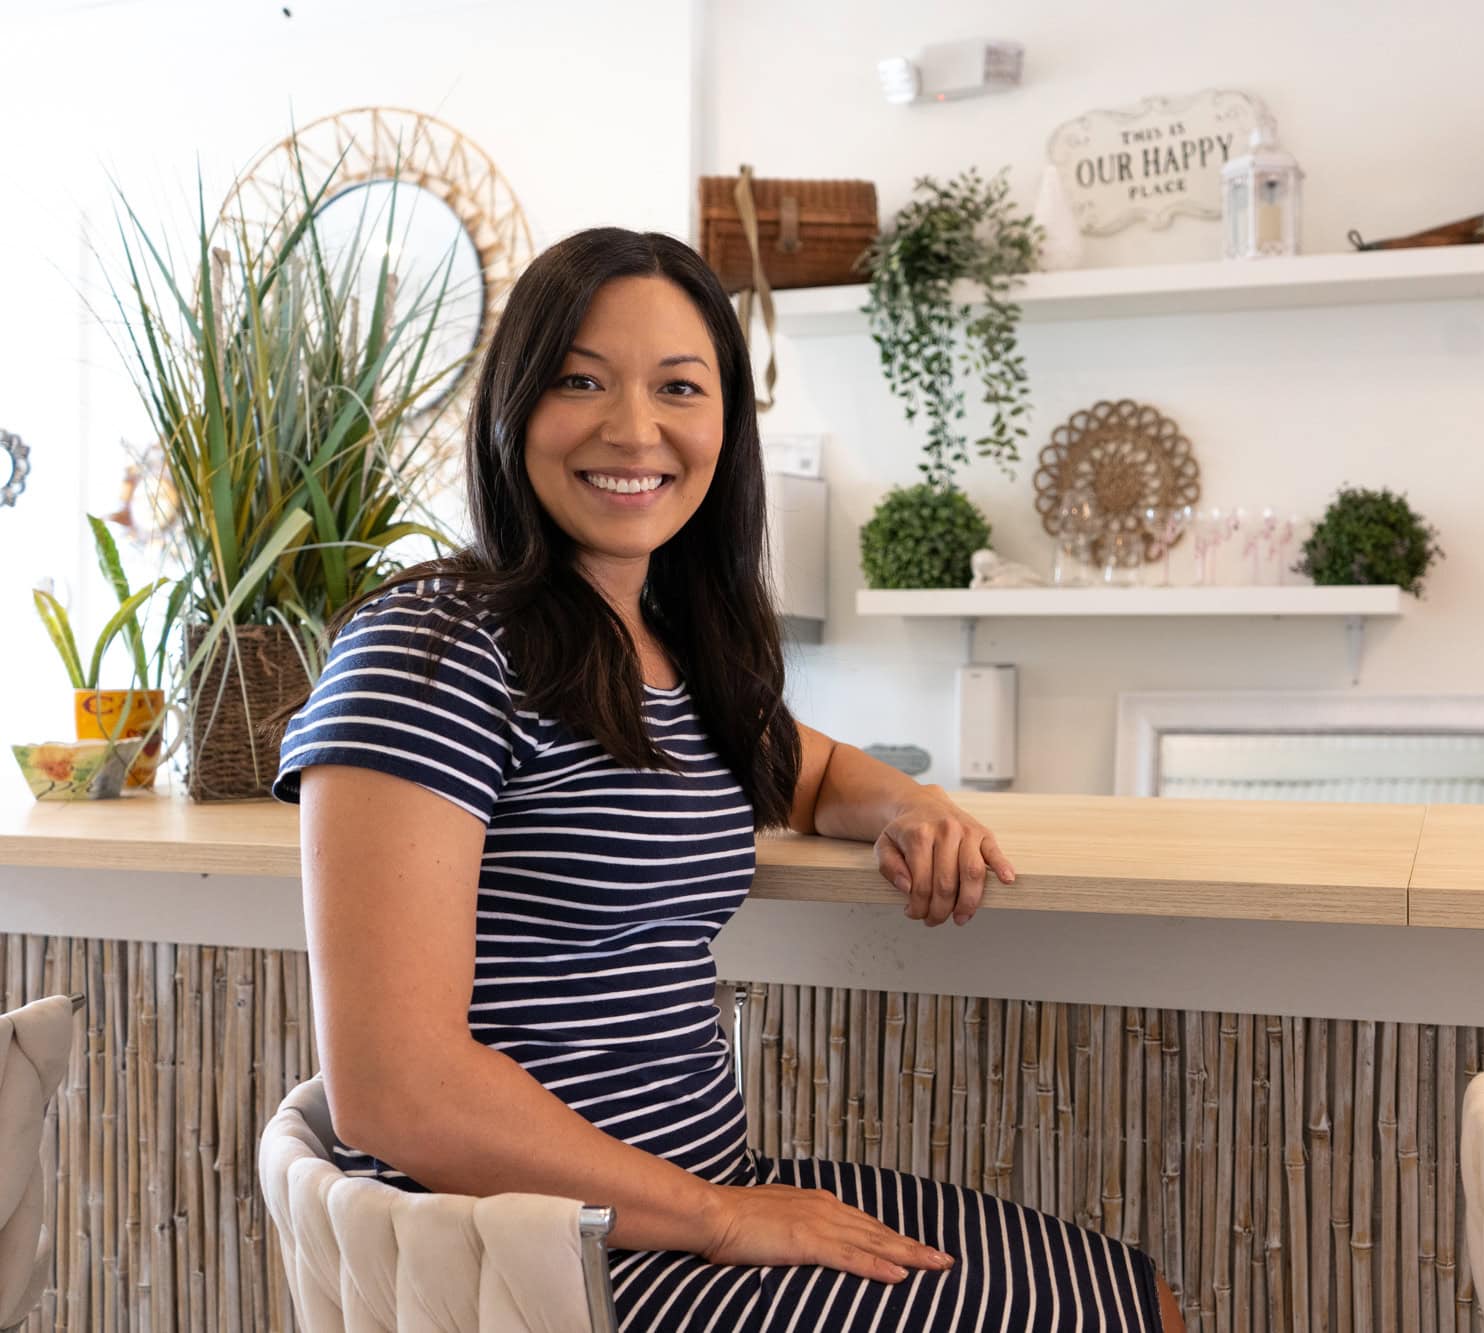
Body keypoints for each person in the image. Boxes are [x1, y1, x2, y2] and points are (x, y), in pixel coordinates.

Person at [272, 227, 1180, 1332]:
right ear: (513, 406)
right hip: (541, 1260)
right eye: (580, 381)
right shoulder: (430, 647)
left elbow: (810, 771)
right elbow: (395, 1090)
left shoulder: (666, 648)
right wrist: (720, 1217)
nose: (633, 428)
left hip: (693, 1199)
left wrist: (913, 805)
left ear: (725, 426)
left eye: (678, 387)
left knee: (1137, 1294)